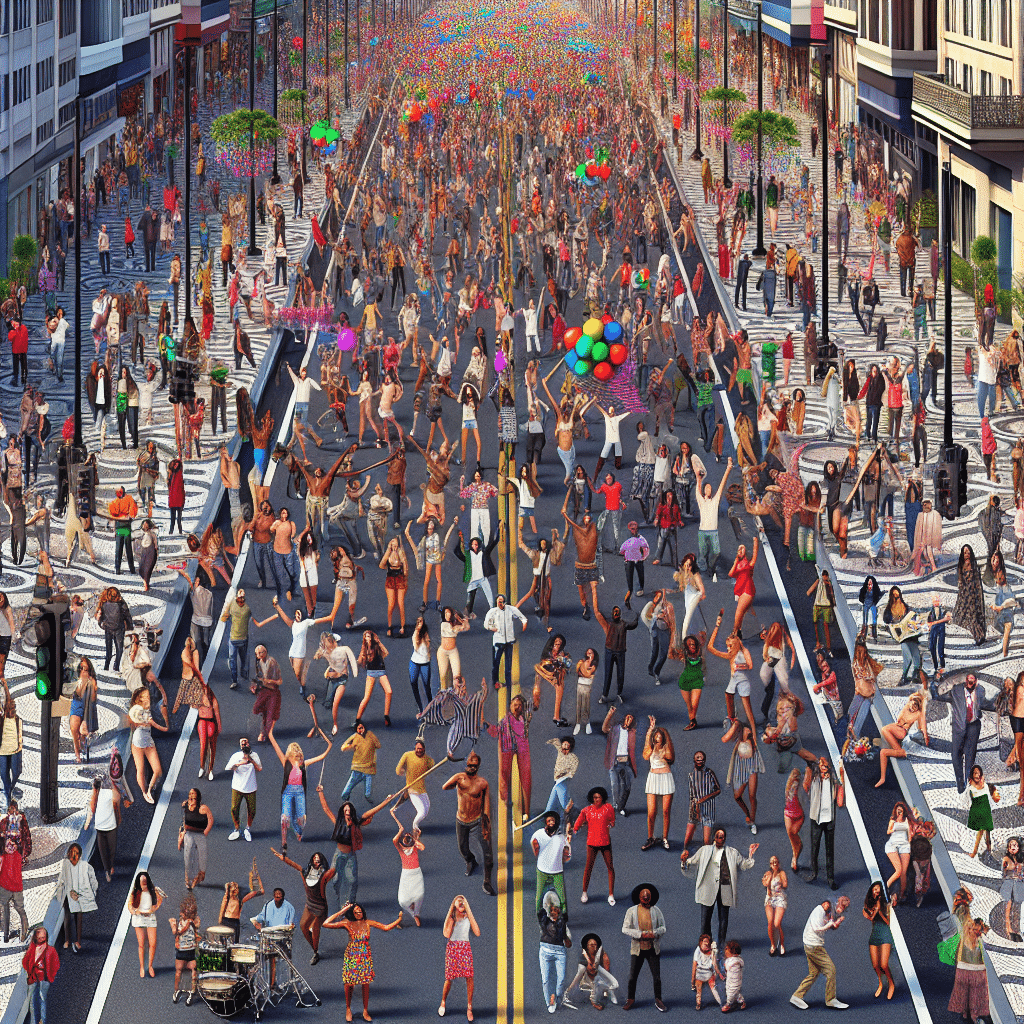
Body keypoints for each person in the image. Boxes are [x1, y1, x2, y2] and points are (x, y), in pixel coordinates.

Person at [680, 828, 758, 954]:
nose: (720, 838)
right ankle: (705, 943)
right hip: (708, 888)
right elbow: (691, 863)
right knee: (705, 919)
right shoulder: (704, 851)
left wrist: (751, 854)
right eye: (718, 836)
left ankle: (721, 944)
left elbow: (743, 864)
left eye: (722, 836)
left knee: (723, 919)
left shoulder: (732, 852)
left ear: (725, 838)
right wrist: (684, 861)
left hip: (725, 888)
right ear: (714, 837)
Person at [266, 718, 332, 850]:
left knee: (301, 820)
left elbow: (323, 756)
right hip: (288, 791)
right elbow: (273, 742)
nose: (296, 753)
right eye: (294, 751)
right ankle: (284, 841)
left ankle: (298, 831)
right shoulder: (285, 762)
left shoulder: (304, 764)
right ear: (290, 753)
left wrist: (328, 742)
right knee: (285, 818)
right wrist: (271, 730)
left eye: (298, 751)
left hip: (300, 791)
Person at [441, 751, 495, 896]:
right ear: (465, 764)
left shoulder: (482, 783)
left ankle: (487, 882)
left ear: (477, 766)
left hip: (477, 820)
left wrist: (486, 823)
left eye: (474, 765)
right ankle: (471, 861)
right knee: (463, 849)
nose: (471, 767)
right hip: (461, 820)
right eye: (469, 764)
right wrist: (457, 781)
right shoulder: (460, 778)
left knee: (487, 852)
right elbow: (445, 787)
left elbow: (487, 804)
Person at [271, 847, 335, 965]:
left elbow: (332, 872)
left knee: (315, 930)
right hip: (310, 904)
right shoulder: (307, 871)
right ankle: (314, 948)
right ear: (312, 860)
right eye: (315, 858)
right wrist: (284, 859)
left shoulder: (324, 874)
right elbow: (296, 866)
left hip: (320, 907)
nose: (317, 860)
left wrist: (339, 859)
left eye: (319, 858)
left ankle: (315, 953)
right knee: (303, 926)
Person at [790, 896, 851, 1010]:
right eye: (841, 907)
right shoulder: (820, 910)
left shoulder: (828, 914)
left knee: (814, 973)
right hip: (814, 946)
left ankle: (797, 996)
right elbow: (817, 928)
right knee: (831, 970)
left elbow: (828, 926)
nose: (841, 910)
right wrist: (831, 923)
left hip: (809, 944)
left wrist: (834, 924)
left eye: (844, 909)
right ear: (836, 903)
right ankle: (831, 999)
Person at [947, 886, 991, 1024]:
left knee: (967, 986)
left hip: (967, 958)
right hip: (970, 958)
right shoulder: (963, 911)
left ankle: (968, 1013)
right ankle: (974, 1013)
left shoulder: (961, 911)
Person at [620, 883, 667, 1012]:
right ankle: (630, 999)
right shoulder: (631, 911)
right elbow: (624, 928)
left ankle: (658, 999)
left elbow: (663, 928)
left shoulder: (656, 911)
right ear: (639, 897)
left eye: (648, 896)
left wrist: (654, 933)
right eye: (643, 896)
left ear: (651, 897)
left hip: (652, 948)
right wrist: (639, 934)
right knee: (632, 977)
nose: (646, 898)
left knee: (656, 977)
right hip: (637, 949)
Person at [803, 758, 845, 890]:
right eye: (822, 766)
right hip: (816, 818)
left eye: (826, 766)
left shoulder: (832, 779)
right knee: (814, 848)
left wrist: (840, 769)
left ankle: (830, 878)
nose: (824, 768)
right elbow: (807, 782)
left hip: (830, 819)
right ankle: (814, 873)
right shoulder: (815, 778)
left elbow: (840, 783)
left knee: (829, 850)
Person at [440, 895, 481, 1019]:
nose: (462, 903)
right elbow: (446, 934)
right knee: (449, 978)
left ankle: (469, 1007)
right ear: (454, 905)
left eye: (463, 902)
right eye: (459, 902)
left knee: (469, 977)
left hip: (465, 947)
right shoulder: (452, 917)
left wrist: (469, 911)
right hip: (453, 947)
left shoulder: (468, 916)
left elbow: (477, 933)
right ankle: (443, 1002)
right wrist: (451, 917)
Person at [55, 842, 98, 952]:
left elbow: (93, 881)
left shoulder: (85, 867)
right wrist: (60, 895)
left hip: (79, 896)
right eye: (72, 853)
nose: (74, 856)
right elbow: (61, 880)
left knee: (78, 917)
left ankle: (77, 940)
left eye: (77, 853)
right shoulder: (65, 865)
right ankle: (67, 939)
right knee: (67, 918)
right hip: (67, 896)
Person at [641, 718, 674, 851]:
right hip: (653, 778)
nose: (658, 738)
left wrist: (665, 743)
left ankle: (665, 838)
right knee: (651, 812)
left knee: (666, 811)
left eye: (660, 736)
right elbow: (645, 756)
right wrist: (650, 730)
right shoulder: (650, 748)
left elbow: (670, 757)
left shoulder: (666, 748)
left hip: (666, 778)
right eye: (656, 736)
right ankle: (651, 837)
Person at [484, 593, 528, 691]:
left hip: (509, 641)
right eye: (499, 602)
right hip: (498, 642)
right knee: (496, 664)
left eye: (502, 602)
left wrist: (524, 622)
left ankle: (508, 684)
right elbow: (486, 624)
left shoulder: (510, 609)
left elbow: (522, 617)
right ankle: (495, 682)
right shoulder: (493, 611)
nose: (501, 604)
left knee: (508, 665)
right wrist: (494, 628)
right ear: (496, 602)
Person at [531, 810, 571, 914]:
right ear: (545, 822)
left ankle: (564, 914)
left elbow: (567, 854)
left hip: (556, 871)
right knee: (539, 896)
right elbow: (534, 845)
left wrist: (558, 861)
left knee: (562, 897)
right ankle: (539, 913)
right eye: (549, 821)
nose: (551, 823)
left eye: (553, 821)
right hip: (542, 871)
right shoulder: (539, 834)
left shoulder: (561, 838)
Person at [224, 737, 261, 842]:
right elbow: (228, 768)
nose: (244, 745)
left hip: (251, 787)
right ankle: (237, 829)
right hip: (237, 787)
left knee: (252, 810)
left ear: (249, 744)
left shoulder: (255, 756)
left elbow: (259, 768)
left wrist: (251, 760)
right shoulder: (236, 756)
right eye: (242, 743)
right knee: (234, 808)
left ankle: (247, 829)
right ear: (240, 746)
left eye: (246, 743)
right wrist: (239, 763)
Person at [602, 708, 637, 816]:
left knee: (627, 786)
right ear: (624, 718)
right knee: (615, 785)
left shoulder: (632, 733)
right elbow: (604, 728)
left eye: (631, 718)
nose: (629, 720)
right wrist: (610, 714)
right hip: (615, 761)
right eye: (628, 717)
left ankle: (621, 806)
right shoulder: (615, 729)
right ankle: (616, 805)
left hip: (626, 763)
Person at [864, 881, 896, 1000]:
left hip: (885, 933)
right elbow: (868, 917)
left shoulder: (883, 903)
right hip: (875, 933)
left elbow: (887, 922)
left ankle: (891, 984)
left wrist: (879, 910)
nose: (876, 891)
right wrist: (872, 911)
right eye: (874, 889)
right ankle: (881, 983)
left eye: (878, 889)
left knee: (884, 964)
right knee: (875, 965)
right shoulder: (869, 903)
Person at [129, 871, 163, 978]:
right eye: (141, 881)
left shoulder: (153, 891)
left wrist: (154, 909)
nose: (143, 883)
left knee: (152, 943)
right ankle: (142, 967)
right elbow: (130, 906)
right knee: (141, 944)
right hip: (138, 918)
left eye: (145, 881)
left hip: (150, 918)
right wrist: (135, 912)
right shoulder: (135, 892)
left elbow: (160, 900)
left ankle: (150, 966)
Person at [22, 926, 59, 1024]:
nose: (41, 940)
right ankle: (39, 1021)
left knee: (38, 1000)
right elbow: (25, 962)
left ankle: (39, 1021)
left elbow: (56, 964)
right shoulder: (45, 950)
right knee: (36, 1000)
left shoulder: (35, 949)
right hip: (36, 978)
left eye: (42, 938)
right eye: (40, 938)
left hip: (43, 978)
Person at [179, 787, 213, 891]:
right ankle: (187, 879)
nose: (191, 795)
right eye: (190, 793)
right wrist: (180, 837)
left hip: (199, 834)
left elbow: (210, 820)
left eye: (193, 794)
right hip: (189, 834)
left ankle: (200, 876)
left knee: (202, 857)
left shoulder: (203, 808)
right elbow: (183, 822)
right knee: (188, 857)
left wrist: (205, 833)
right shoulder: (185, 805)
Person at [691, 932, 724, 1009]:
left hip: (706, 974)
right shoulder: (699, 951)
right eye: (704, 942)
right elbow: (694, 966)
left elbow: (714, 964)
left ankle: (720, 1003)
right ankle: (699, 1003)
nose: (706, 944)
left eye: (707, 943)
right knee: (700, 990)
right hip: (701, 974)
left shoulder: (708, 951)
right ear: (700, 943)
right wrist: (693, 979)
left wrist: (692, 982)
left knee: (712, 989)